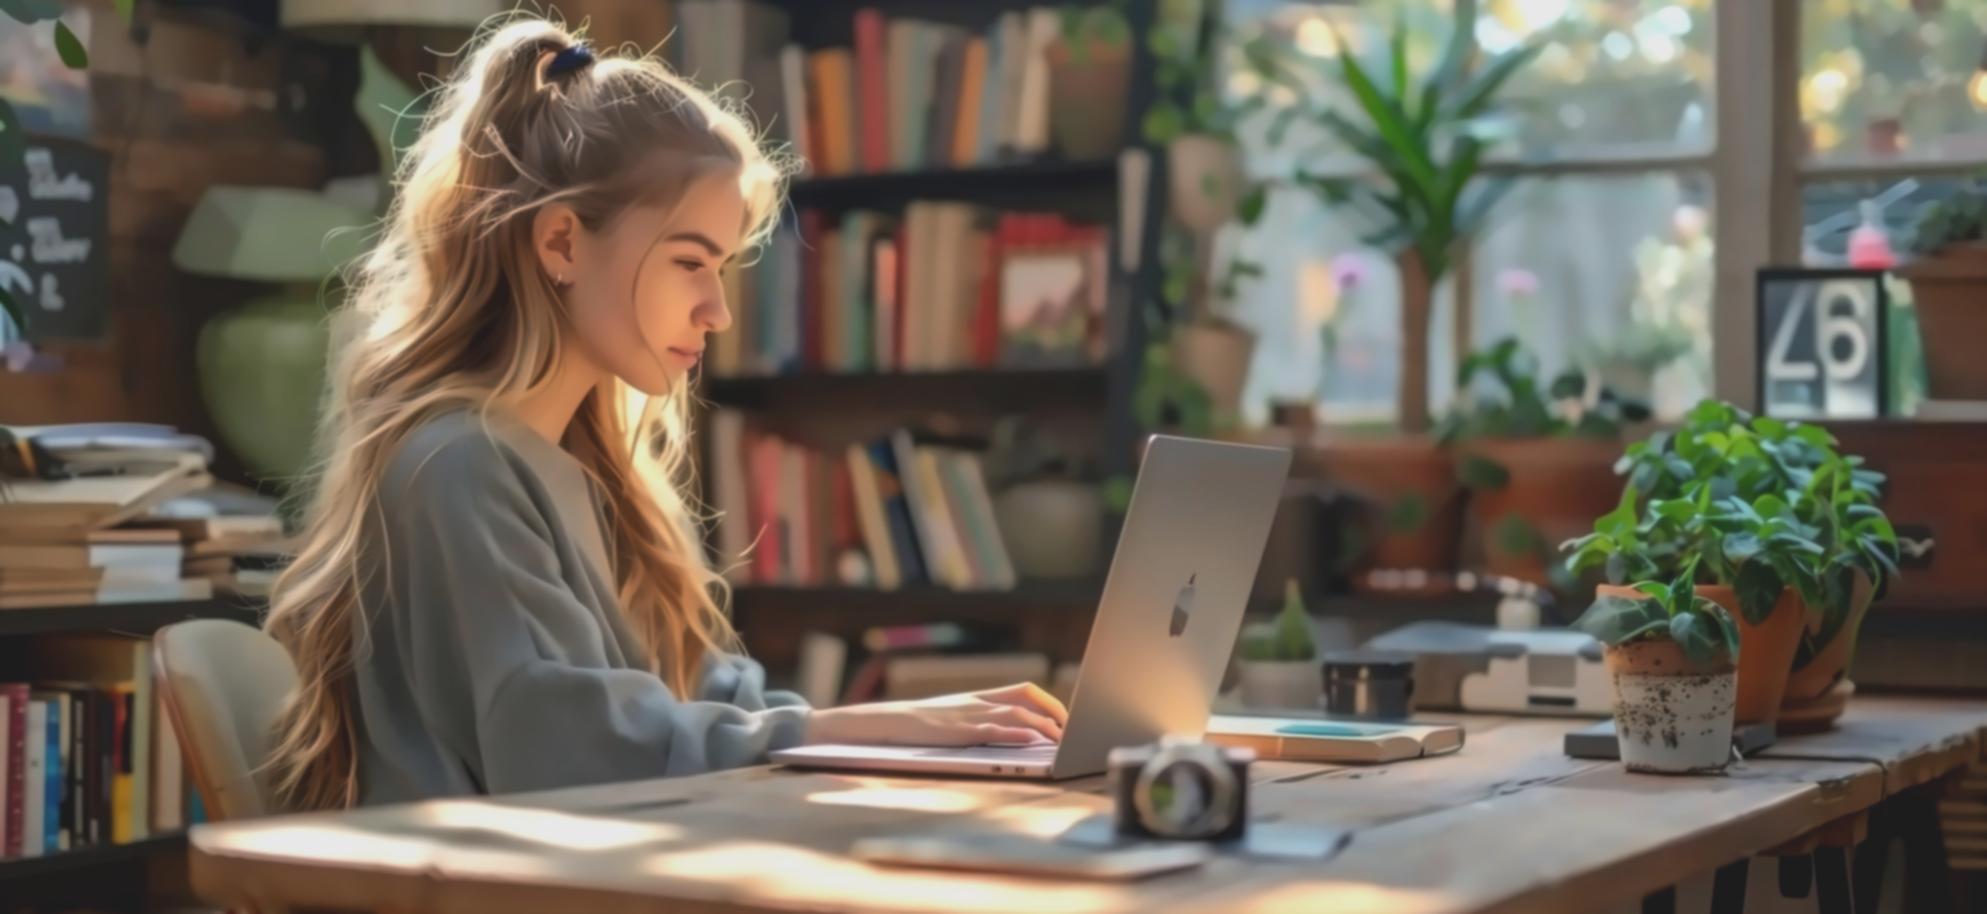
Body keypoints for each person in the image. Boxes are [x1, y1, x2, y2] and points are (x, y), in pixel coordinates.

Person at [262, 17, 1066, 811]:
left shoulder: (587, 468)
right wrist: (853, 727)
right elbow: (570, 755)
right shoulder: (458, 466)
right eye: (688, 262)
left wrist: (908, 730)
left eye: (719, 269)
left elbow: (709, 690)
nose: (716, 311)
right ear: (562, 245)